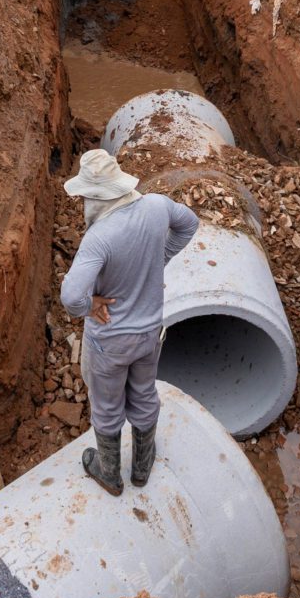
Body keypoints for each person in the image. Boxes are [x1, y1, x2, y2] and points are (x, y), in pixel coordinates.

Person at [59, 149, 200, 495]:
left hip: (109, 341)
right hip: (149, 334)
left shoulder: (99, 238)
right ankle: (141, 466)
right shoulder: (156, 206)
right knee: (144, 394)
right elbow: (189, 224)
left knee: (107, 406)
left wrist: (90, 305)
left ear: (95, 195)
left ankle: (109, 472)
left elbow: (71, 296)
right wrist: (159, 259)